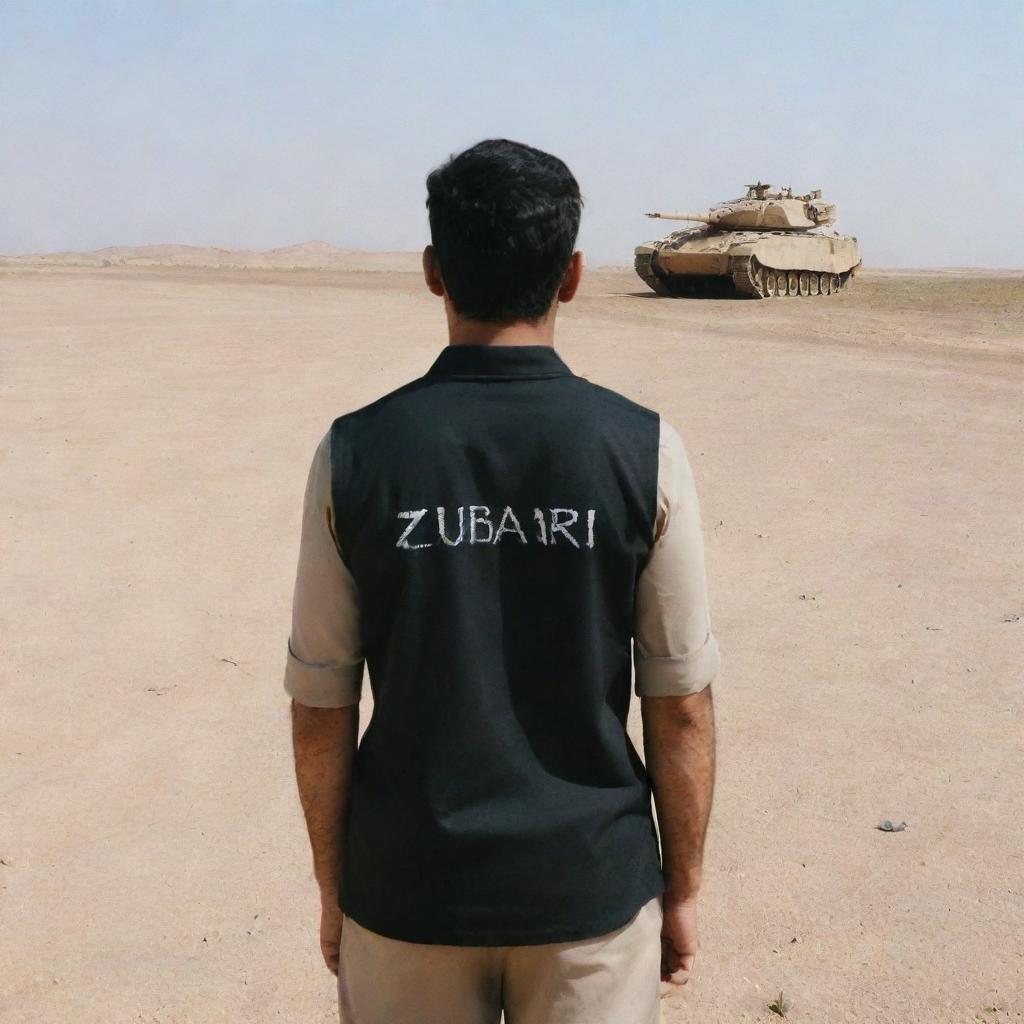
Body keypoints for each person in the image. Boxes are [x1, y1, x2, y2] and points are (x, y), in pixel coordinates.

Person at [285, 138, 720, 1024]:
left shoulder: (355, 455)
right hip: (587, 898)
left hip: (408, 893)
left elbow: (320, 707)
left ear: (434, 272)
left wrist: (335, 888)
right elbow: (680, 703)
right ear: (572, 276)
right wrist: (681, 889)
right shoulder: (644, 451)